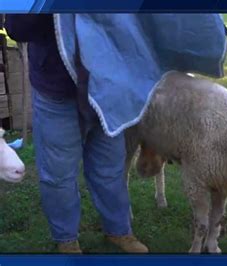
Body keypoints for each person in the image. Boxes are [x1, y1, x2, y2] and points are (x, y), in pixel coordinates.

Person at [5, 14, 148, 253]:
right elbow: (17, 29)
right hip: (57, 91)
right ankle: (67, 239)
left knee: (110, 168)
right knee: (58, 174)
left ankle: (119, 231)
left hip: (105, 88)